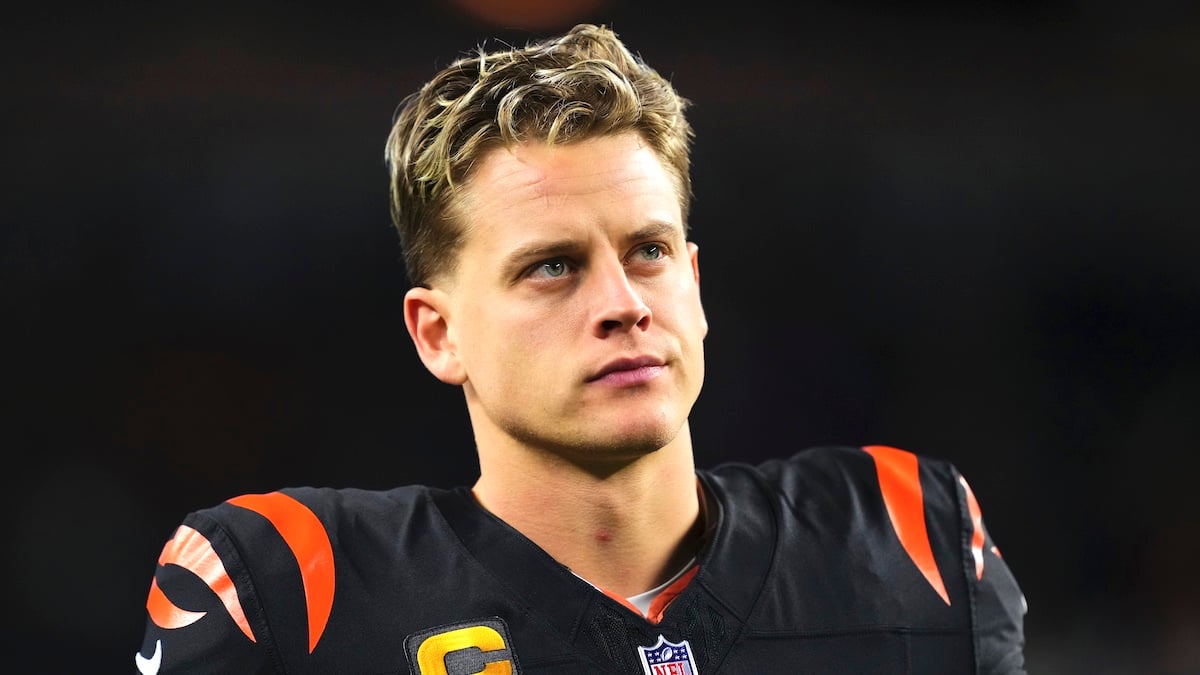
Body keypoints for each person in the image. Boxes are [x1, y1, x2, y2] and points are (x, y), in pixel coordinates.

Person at [134, 23, 1028, 674]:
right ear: (438, 334)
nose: (623, 304)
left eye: (649, 251)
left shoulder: (908, 537)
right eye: (553, 267)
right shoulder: (289, 588)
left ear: (696, 282)